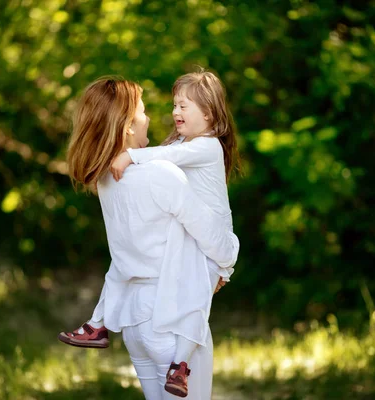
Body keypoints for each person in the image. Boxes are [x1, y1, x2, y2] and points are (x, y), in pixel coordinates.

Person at [58, 76, 240, 399]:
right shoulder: (162, 176)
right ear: (128, 125)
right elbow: (214, 239)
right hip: (172, 316)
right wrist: (227, 261)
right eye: (143, 112)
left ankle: (96, 324)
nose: (152, 118)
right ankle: (178, 365)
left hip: (134, 321)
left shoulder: (106, 179)